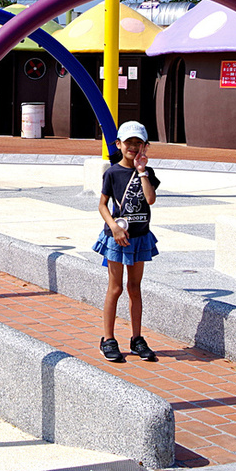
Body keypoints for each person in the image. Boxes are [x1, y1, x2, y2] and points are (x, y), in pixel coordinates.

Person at [93, 121, 160, 362]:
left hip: (140, 237)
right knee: (116, 287)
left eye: (138, 143)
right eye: (128, 142)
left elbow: (150, 199)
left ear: (145, 147)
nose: (133, 147)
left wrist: (142, 171)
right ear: (119, 144)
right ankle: (108, 339)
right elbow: (102, 205)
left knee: (134, 288)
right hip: (117, 237)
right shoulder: (112, 172)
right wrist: (113, 227)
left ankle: (136, 338)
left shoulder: (147, 173)